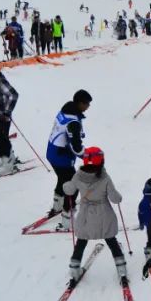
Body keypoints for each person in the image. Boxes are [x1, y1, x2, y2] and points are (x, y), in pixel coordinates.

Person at [62, 147, 128, 289]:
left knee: (81, 242)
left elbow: (69, 190)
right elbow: (114, 198)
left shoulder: (78, 176)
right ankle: (121, 269)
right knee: (111, 240)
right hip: (104, 214)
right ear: (101, 160)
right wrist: (119, 197)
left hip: (86, 215)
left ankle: (74, 270)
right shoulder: (104, 177)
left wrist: (66, 186)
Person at [46, 90, 91, 231]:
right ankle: (67, 218)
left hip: (52, 152)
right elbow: (75, 147)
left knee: (63, 179)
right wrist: (88, 156)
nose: (88, 106)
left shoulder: (66, 110)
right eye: (87, 104)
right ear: (80, 103)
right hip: (61, 156)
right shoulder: (73, 121)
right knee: (73, 185)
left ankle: (57, 205)